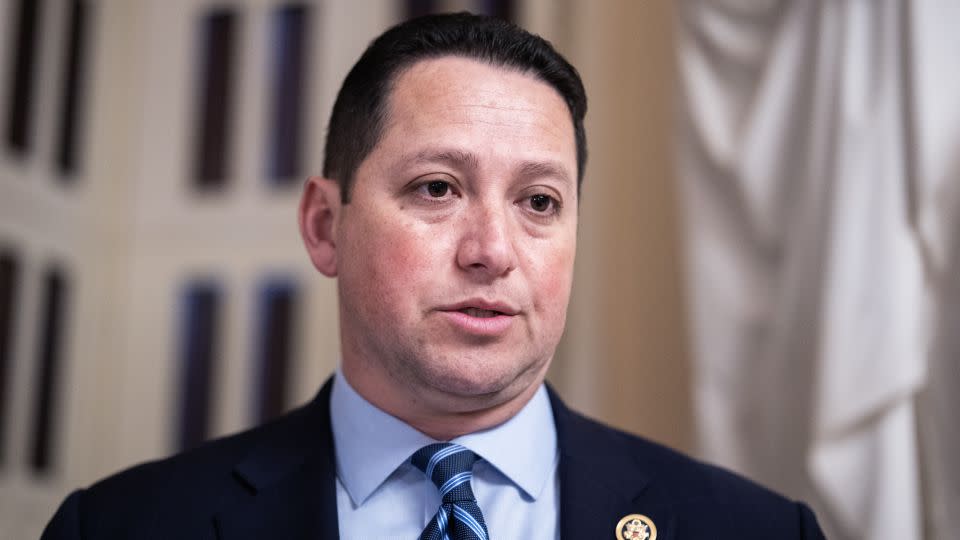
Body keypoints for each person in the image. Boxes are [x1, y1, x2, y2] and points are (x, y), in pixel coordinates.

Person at [42, 12, 825, 540]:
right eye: (437, 188)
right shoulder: (118, 527)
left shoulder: (754, 529)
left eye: (540, 201)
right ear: (325, 225)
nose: (492, 249)